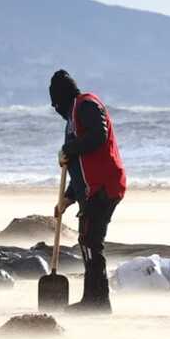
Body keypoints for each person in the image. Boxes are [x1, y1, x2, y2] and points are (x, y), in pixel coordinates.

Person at [50, 70, 126, 313]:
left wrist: (69, 148)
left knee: (91, 241)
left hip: (103, 186)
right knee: (88, 240)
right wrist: (68, 199)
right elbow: (80, 168)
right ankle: (93, 299)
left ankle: (98, 301)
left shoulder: (86, 105)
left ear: (62, 99)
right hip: (91, 188)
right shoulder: (72, 120)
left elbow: (99, 136)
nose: (56, 110)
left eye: (56, 104)